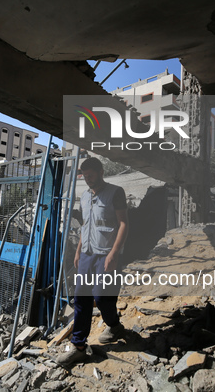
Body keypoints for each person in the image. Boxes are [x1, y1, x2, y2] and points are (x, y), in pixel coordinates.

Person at [56, 157, 129, 366]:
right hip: (87, 254)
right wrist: (78, 252)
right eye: (85, 176)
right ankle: (78, 345)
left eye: (91, 175)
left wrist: (114, 253)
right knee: (81, 299)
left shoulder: (116, 192)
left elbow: (124, 223)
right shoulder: (85, 196)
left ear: (101, 172)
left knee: (103, 297)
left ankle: (114, 326)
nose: (88, 180)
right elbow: (85, 226)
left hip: (107, 253)